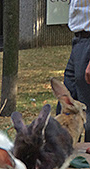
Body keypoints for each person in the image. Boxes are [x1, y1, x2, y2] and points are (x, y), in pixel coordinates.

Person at [59, 0, 90, 141]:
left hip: (88, 41)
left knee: (86, 108)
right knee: (67, 105)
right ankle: (63, 151)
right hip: (79, 40)